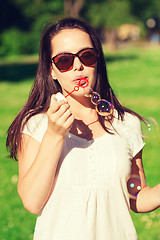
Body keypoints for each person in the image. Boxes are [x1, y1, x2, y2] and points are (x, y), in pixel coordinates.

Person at [6, 17, 160, 240]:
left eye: (87, 56)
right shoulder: (36, 125)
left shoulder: (126, 124)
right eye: (65, 60)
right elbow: (31, 201)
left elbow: (136, 195)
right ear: (52, 71)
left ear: (97, 60)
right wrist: (55, 134)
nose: (78, 66)